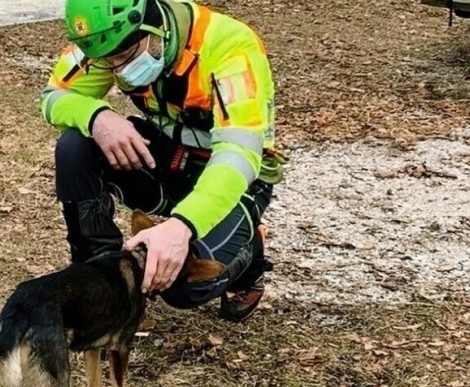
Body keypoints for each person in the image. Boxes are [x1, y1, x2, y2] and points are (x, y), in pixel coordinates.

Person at [40, 0, 289, 323]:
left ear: (154, 25)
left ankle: (250, 250)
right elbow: (52, 97)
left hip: (236, 178)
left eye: (125, 58)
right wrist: (96, 116)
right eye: (107, 62)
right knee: (75, 147)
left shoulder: (231, 47)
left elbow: (238, 154)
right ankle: (106, 289)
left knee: (183, 287)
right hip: (170, 158)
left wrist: (182, 226)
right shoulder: (108, 38)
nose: (118, 71)